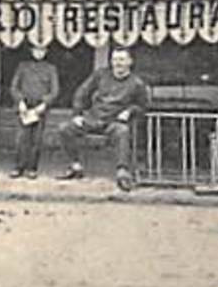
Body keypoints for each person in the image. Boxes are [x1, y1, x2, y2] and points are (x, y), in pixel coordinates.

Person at [54, 47, 151, 190]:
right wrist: (77, 114)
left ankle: (122, 172)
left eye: (122, 60)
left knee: (123, 132)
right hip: (93, 117)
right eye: (115, 60)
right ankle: (75, 166)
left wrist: (129, 111)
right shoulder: (100, 75)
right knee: (64, 128)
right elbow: (81, 93)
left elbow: (143, 106)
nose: (118, 63)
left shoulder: (137, 83)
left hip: (114, 122)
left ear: (130, 61)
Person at [9, 44, 60, 179]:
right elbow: (14, 87)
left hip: (39, 107)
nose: (39, 53)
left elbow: (54, 91)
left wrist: (45, 104)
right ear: (31, 51)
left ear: (46, 52)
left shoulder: (51, 69)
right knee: (21, 138)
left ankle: (32, 168)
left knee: (36, 140)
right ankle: (18, 167)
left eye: (42, 50)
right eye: (36, 50)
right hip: (24, 106)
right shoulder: (23, 67)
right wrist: (20, 102)